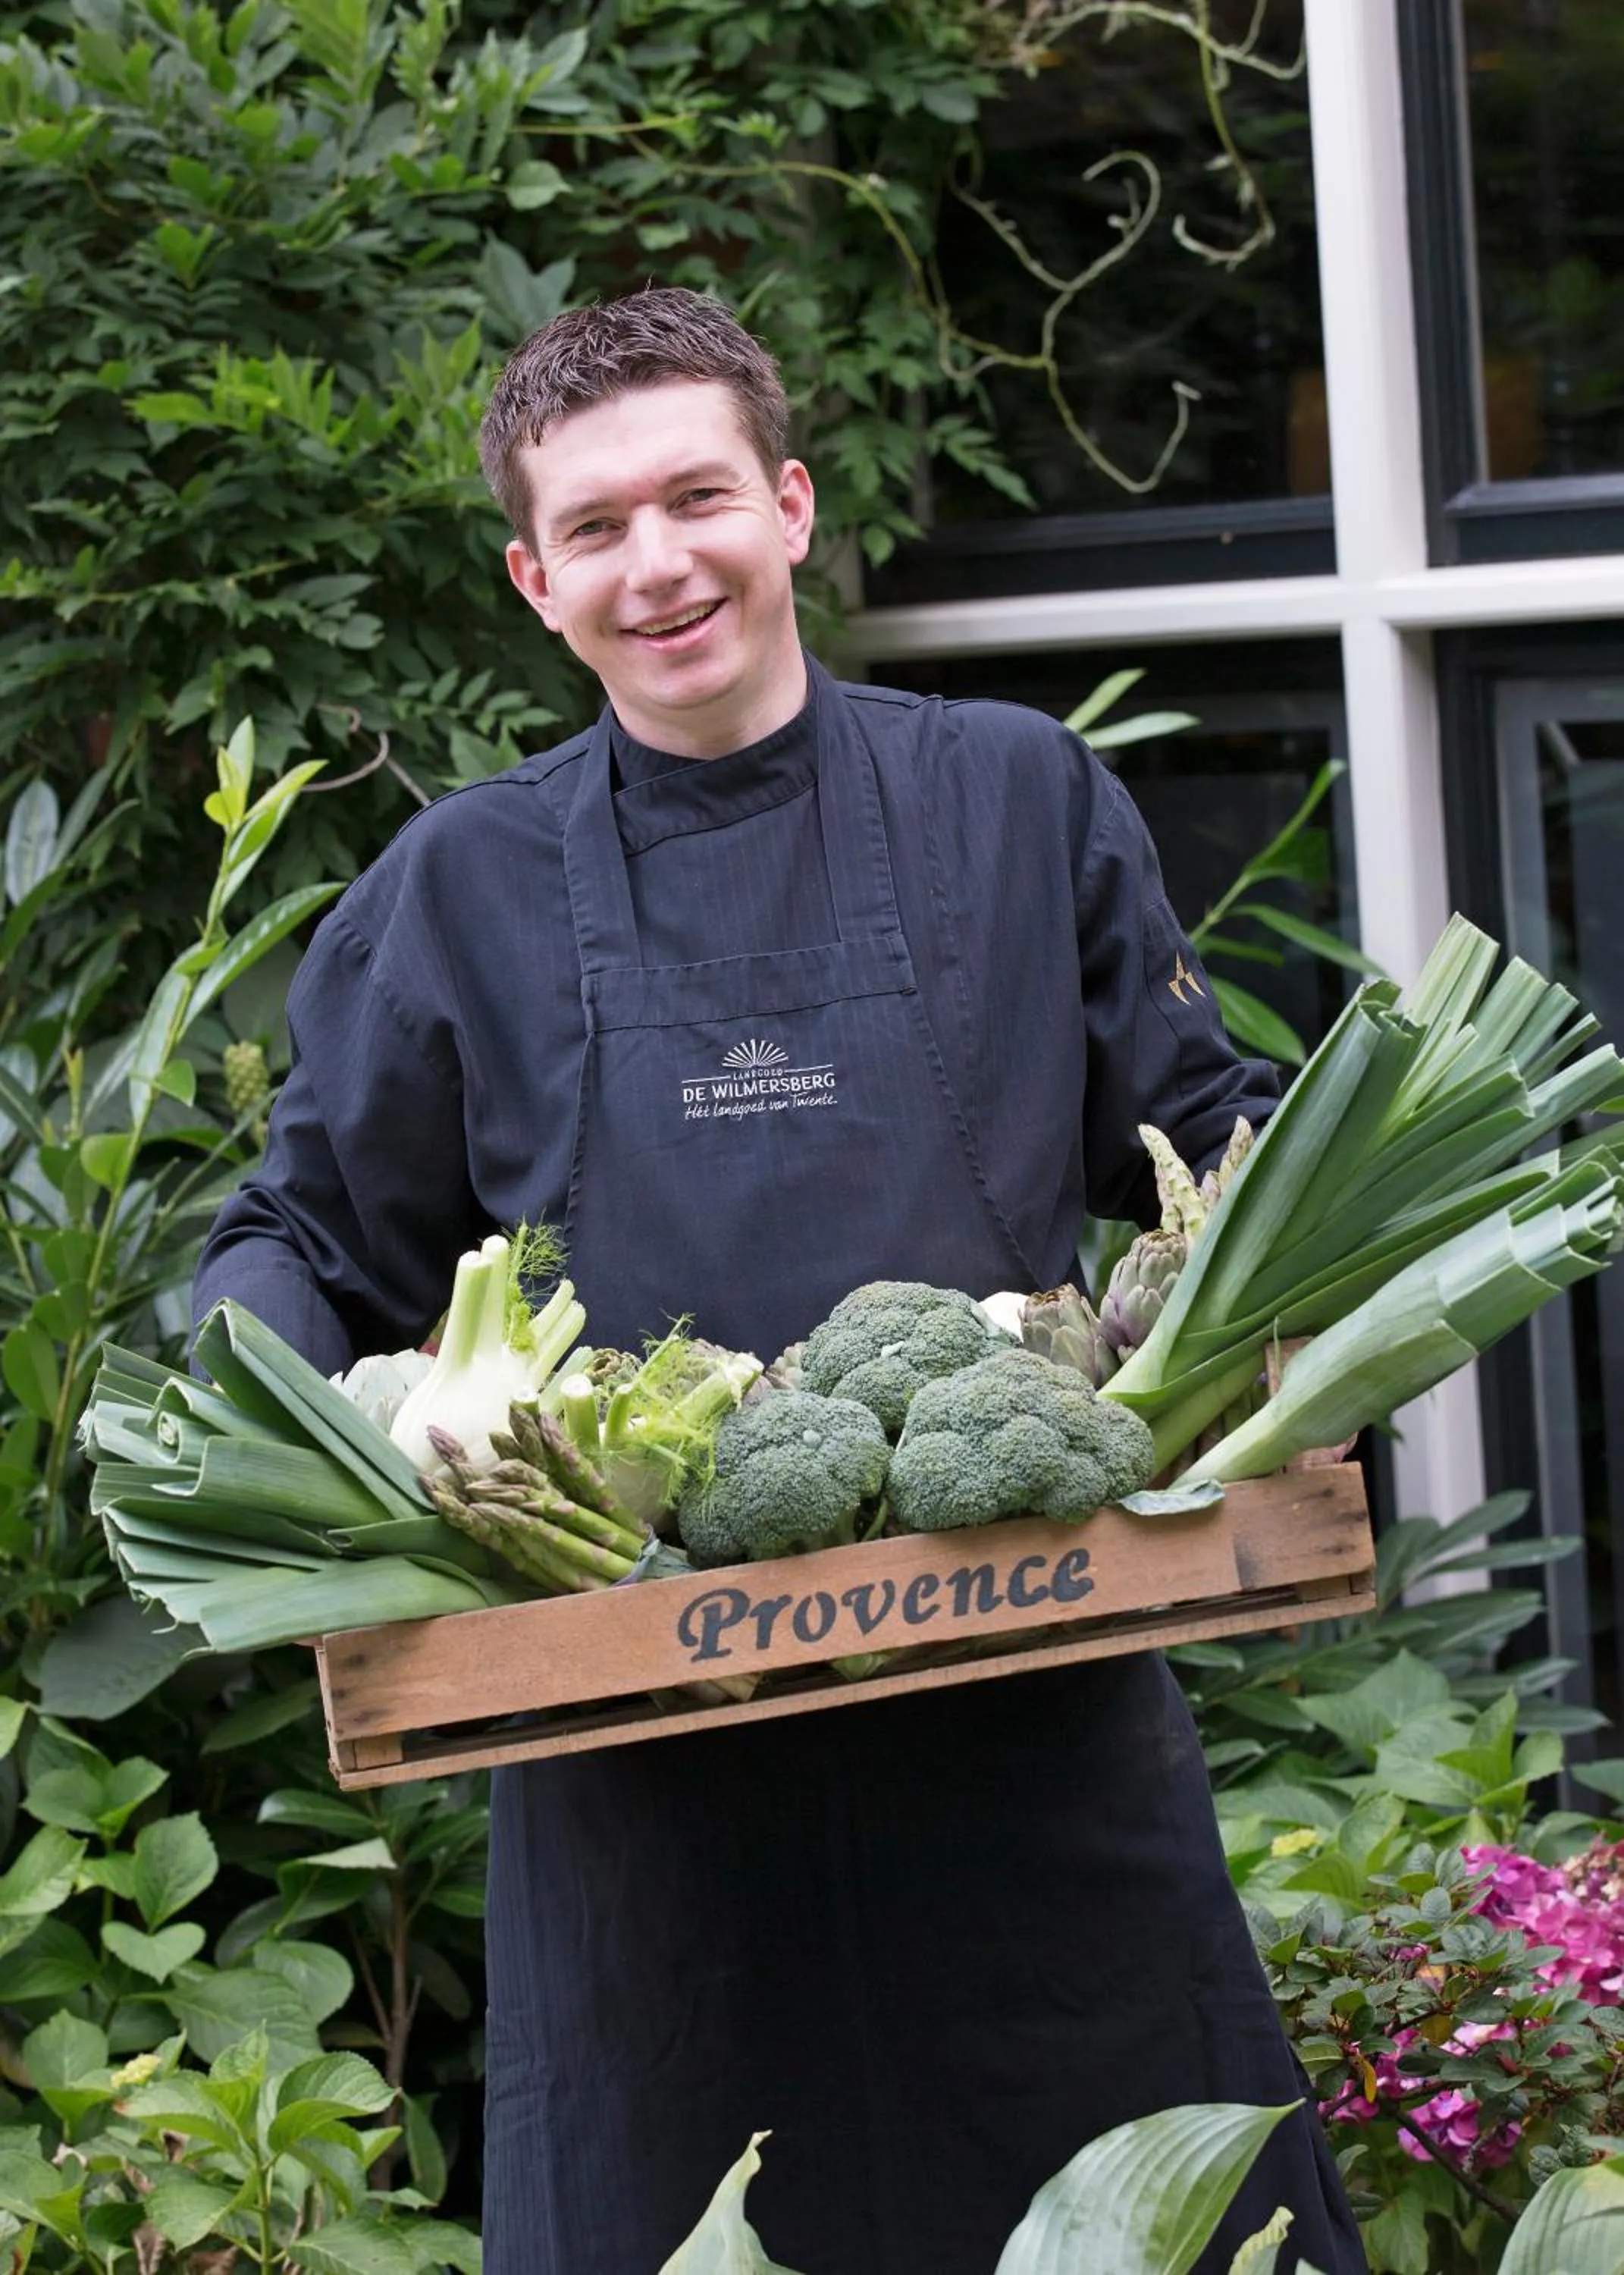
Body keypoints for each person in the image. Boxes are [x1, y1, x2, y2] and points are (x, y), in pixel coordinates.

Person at [194, 287, 1365, 2274]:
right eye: (594, 527)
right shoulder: (457, 893)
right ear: (535, 583)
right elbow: (301, 1240)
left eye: (698, 498)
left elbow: (1202, 1138)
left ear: (793, 506)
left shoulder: (1016, 798)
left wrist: (1323, 1293)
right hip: (647, 1817)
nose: (657, 565)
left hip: (1034, 1739)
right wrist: (264, 1444)